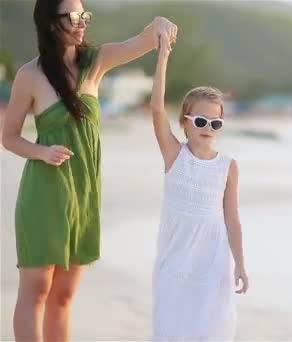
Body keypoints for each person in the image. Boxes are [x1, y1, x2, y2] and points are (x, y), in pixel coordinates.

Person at [2, 1, 177, 340]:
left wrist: (159, 22)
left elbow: (141, 41)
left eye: (85, 15)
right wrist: (41, 151)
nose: (82, 22)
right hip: (44, 192)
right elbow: (8, 138)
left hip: (84, 193)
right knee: (36, 290)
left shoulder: (96, 62)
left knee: (64, 295)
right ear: (51, 23)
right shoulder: (29, 75)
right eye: (73, 16)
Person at [149, 32, 249, 340]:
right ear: (184, 122)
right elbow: (156, 110)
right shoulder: (174, 154)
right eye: (200, 121)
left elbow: (232, 218)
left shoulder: (227, 166)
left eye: (215, 123)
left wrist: (240, 264)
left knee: (208, 329)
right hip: (175, 260)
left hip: (212, 262)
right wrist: (163, 57)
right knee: (171, 327)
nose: (208, 128)